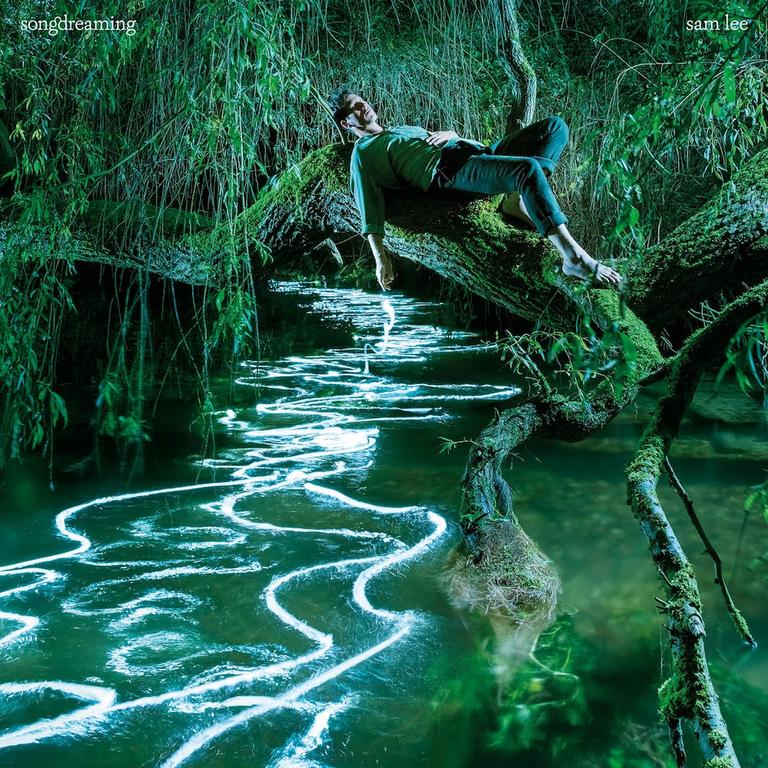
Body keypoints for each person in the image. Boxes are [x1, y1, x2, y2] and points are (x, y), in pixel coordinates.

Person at [328, 88, 622, 292]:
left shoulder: (402, 129)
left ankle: (514, 199)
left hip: (473, 153)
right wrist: (381, 258)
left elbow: (455, 143)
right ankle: (574, 258)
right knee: (528, 169)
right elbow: (368, 204)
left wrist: (455, 135)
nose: (362, 105)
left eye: (361, 100)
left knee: (554, 127)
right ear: (346, 122)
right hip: (449, 171)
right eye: (354, 107)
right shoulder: (363, 152)